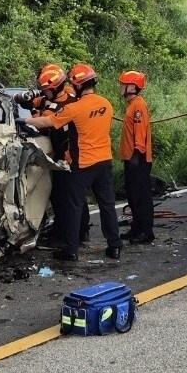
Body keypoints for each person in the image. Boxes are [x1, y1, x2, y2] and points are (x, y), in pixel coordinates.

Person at [23, 63, 120, 262]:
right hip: (104, 161)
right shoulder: (106, 104)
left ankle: (71, 250)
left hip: (83, 164)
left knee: (73, 206)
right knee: (107, 205)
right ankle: (114, 246)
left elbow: (47, 122)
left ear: (77, 85)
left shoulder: (75, 109)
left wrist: (23, 121)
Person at [18, 64, 90, 248]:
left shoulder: (61, 105)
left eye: (46, 90)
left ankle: (71, 234)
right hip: (67, 152)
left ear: (55, 88)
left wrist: (28, 117)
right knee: (72, 197)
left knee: (65, 197)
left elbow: (43, 122)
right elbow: (38, 102)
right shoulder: (65, 95)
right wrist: (26, 99)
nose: (44, 93)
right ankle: (77, 231)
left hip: (67, 155)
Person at [117, 70, 155, 244]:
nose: (120, 87)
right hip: (131, 158)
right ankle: (136, 228)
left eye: (122, 84)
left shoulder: (138, 105)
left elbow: (139, 134)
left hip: (137, 159)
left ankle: (146, 232)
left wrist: (136, 155)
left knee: (141, 197)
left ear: (131, 86)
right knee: (133, 196)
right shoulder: (131, 104)